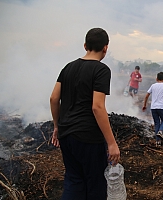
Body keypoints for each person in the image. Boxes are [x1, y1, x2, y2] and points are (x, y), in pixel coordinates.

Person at [50, 28, 120, 200]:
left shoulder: (68, 67)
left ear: (85, 45)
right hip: (89, 137)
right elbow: (97, 107)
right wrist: (112, 143)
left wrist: (57, 127)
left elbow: (53, 98)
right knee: (95, 184)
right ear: (105, 48)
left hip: (67, 135)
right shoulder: (101, 70)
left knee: (73, 181)